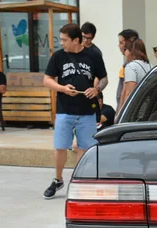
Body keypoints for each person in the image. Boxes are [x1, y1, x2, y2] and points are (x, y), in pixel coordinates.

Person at [42, 23, 108, 199]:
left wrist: (96, 90)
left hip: (87, 111)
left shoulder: (93, 56)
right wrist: (62, 88)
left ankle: (80, 181)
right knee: (60, 147)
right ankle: (57, 179)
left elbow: (103, 79)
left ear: (76, 40)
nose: (61, 43)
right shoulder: (58, 56)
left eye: (64, 40)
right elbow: (47, 80)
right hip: (65, 109)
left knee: (86, 148)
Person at [118, 38, 151, 113]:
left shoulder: (131, 66)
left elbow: (129, 93)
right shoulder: (151, 66)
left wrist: (121, 114)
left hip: (135, 112)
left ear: (130, 51)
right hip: (148, 110)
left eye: (126, 50)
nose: (125, 53)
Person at [116, 29, 139, 107]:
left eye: (121, 43)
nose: (119, 46)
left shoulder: (133, 66)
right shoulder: (126, 65)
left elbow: (127, 92)